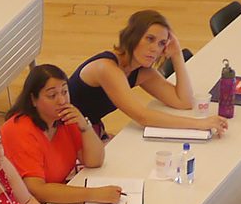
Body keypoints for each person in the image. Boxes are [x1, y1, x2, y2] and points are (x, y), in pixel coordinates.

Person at [68, 10, 227, 138]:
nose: (155, 49)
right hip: (62, 134)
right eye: (149, 39)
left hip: (87, 129)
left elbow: (183, 101)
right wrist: (200, 124)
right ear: (132, 37)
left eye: (161, 43)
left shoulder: (142, 72)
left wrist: (177, 54)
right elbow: (142, 117)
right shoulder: (107, 68)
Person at [2, 64, 122, 204]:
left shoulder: (65, 117)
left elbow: (94, 161)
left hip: (54, 201)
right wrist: (94, 194)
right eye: (52, 95)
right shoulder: (19, 130)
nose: (62, 101)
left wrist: (85, 126)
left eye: (65, 92)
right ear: (33, 100)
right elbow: (37, 191)